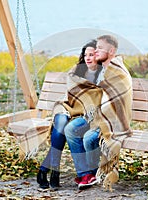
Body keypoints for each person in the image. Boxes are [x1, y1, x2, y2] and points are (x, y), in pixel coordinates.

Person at [65, 35, 133, 190]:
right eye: (96, 49)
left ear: (111, 51)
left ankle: (96, 172)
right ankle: (86, 175)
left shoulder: (117, 71)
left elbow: (118, 99)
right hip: (94, 116)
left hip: (112, 122)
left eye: (100, 48)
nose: (96, 52)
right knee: (70, 129)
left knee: (89, 138)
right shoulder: (99, 69)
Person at [36, 40, 103, 189]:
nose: (88, 58)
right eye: (85, 55)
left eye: (91, 55)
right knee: (60, 129)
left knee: (66, 130)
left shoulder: (102, 75)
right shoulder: (76, 72)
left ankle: (45, 169)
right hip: (66, 107)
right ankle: (54, 169)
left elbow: (95, 101)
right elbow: (71, 94)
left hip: (84, 115)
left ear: (98, 56)